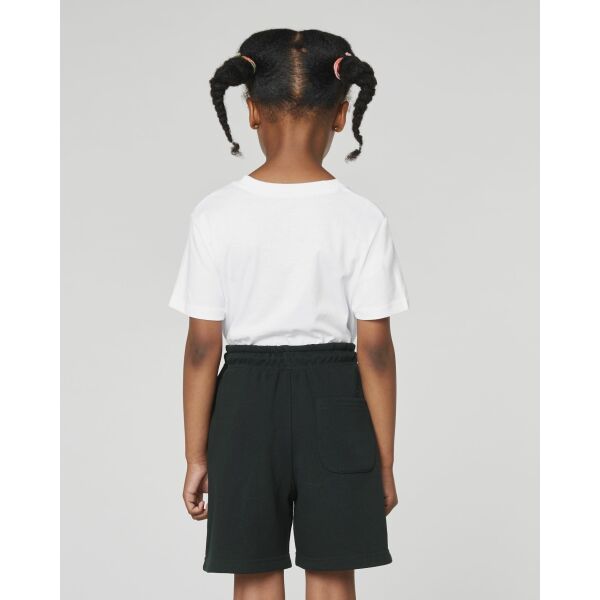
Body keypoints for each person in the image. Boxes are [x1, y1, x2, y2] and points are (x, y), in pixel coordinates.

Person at [168, 28, 409, 600]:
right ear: (341, 114)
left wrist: (196, 455)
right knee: (333, 574)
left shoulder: (215, 215)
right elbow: (375, 350)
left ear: (251, 110)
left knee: (253, 574)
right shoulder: (362, 217)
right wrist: (384, 461)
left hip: (245, 405)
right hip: (338, 398)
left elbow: (202, 348)